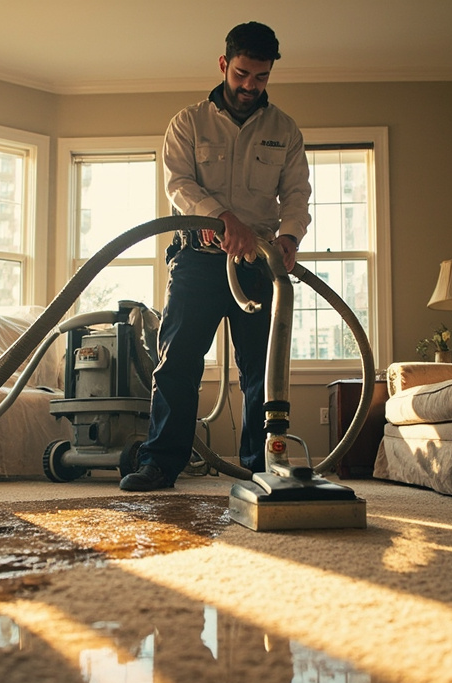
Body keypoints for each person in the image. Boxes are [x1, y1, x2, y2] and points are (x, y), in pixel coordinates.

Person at [120, 21, 311, 491]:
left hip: (260, 265)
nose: (250, 86)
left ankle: (261, 465)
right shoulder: (188, 123)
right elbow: (179, 184)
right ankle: (161, 462)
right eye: (243, 73)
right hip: (198, 260)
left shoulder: (283, 130)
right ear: (225, 64)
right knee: (178, 361)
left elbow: (298, 195)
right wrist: (225, 218)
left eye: (261, 77)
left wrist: (289, 239)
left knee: (261, 370)